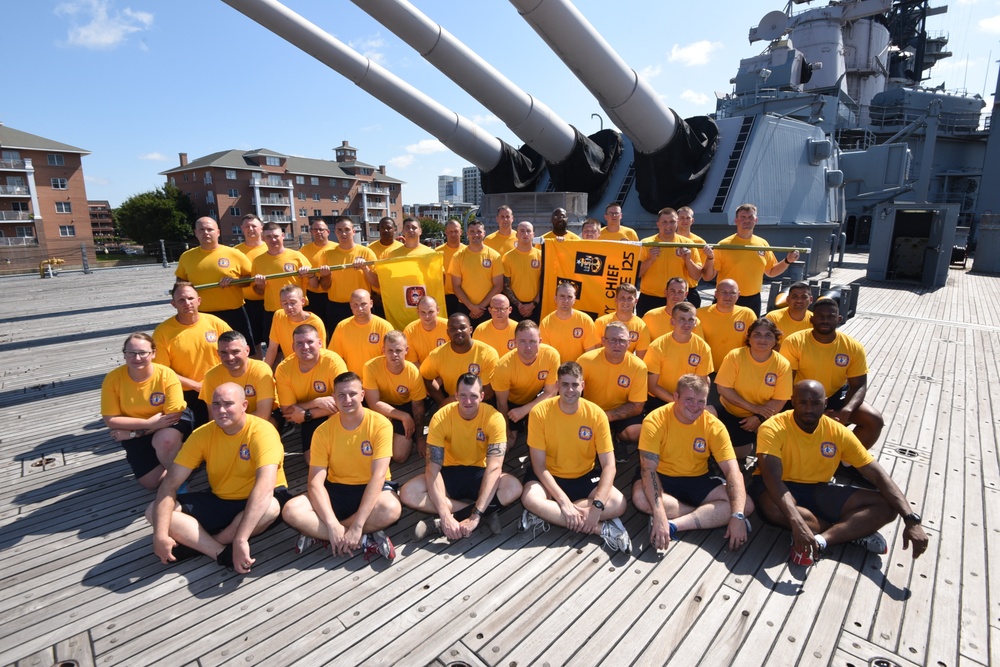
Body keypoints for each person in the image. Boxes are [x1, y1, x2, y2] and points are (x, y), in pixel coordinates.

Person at [752, 380, 929, 565]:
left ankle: (821, 540)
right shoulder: (772, 427)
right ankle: (849, 531)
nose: (809, 409)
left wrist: (911, 519)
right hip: (780, 486)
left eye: (816, 403)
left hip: (817, 488)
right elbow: (771, 478)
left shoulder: (838, 432)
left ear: (826, 403)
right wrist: (796, 522)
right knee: (772, 507)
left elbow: (878, 475)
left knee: (887, 507)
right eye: (803, 402)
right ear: (793, 401)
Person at [145, 383, 288, 573]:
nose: (221, 410)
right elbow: (170, 484)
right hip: (221, 497)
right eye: (216, 405)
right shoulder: (202, 434)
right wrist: (160, 535)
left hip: (261, 497)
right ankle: (220, 552)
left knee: (270, 509)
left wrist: (241, 539)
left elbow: (264, 488)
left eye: (228, 404)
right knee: (152, 510)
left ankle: (207, 543)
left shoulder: (263, 432)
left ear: (244, 405)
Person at [281, 372, 400, 562]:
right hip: (336, 488)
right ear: (334, 398)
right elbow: (315, 483)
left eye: (353, 394)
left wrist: (358, 525)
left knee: (391, 508)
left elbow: (378, 477)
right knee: (291, 510)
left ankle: (325, 534)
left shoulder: (381, 424)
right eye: (341, 395)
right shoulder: (323, 431)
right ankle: (358, 539)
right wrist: (332, 524)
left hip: (372, 487)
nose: (347, 399)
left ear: (362, 395)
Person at [519, 362, 631, 554]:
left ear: (583, 385)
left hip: (584, 476)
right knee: (529, 498)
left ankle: (548, 514)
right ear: (557, 385)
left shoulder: (596, 415)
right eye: (564, 384)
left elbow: (609, 466)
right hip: (548, 476)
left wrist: (597, 507)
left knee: (619, 503)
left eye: (574, 384)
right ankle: (601, 529)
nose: (570, 390)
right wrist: (564, 502)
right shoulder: (539, 412)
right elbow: (538, 465)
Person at [634, 374, 753, 551]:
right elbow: (648, 469)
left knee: (746, 505)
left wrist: (736, 514)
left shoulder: (714, 425)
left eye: (701, 401)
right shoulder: (655, 420)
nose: (695, 407)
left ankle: (675, 525)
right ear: (676, 397)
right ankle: (709, 514)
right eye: (689, 399)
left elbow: (733, 471)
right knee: (641, 498)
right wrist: (659, 515)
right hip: (661, 475)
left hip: (698, 477)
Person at [401, 373, 523, 540]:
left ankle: (442, 523)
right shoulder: (441, 417)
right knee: (408, 492)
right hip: (449, 472)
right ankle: (487, 511)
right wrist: (445, 516)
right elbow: (432, 468)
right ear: (456, 395)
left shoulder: (494, 418)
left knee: (514, 487)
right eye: (463, 396)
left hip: (481, 472)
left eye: (473, 396)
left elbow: (495, 467)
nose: (467, 401)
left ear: (481, 396)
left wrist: (475, 516)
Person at [779, 298, 884, 449]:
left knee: (874, 420)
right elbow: (786, 381)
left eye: (831, 316)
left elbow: (859, 385)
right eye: (820, 316)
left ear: (839, 318)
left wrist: (845, 411)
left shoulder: (853, 347)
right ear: (812, 318)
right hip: (799, 397)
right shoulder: (794, 341)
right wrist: (813, 410)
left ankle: (846, 464)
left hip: (835, 396)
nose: (825, 320)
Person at [101, 332, 193, 489]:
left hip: (168, 423)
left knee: (165, 441)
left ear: (153, 353)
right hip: (143, 425)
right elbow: (110, 419)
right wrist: (148, 424)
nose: (137, 358)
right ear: (124, 355)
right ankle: (185, 461)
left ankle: (179, 484)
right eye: (131, 353)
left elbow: (173, 415)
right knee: (151, 483)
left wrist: (135, 433)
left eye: (143, 353)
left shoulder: (165, 374)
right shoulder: (113, 378)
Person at [153, 281, 231, 426]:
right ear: (173, 304)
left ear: (199, 300)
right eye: (181, 300)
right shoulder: (162, 333)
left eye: (190, 298)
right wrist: (196, 385)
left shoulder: (216, 323)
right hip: (187, 392)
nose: (187, 303)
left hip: (219, 386)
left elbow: (235, 353)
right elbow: (162, 371)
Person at [701, 203, 800, 315]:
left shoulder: (762, 244)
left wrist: (788, 260)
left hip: (753, 299)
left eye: (750, 217)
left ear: (756, 220)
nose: (747, 220)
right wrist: (709, 258)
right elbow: (708, 276)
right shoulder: (723, 245)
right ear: (736, 221)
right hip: (727, 298)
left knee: (751, 332)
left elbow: (771, 272)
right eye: (743, 217)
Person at [715, 318, 793, 459]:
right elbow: (723, 388)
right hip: (728, 410)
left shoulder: (782, 364)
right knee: (702, 414)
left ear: (776, 340)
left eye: (768, 335)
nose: (762, 339)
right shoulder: (735, 356)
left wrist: (758, 416)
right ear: (749, 339)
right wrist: (754, 408)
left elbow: (780, 400)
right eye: (757, 334)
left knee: (745, 451)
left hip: (761, 416)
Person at [175, 216, 254, 347]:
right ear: (195, 233)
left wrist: (235, 281)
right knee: (208, 349)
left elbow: (249, 279)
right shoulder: (187, 256)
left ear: (218, 232)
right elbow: (180, 281)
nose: (206, 233)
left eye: (210, 229)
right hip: (202, 314)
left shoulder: (234, 253)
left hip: (233, 312)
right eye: (201, 230)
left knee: (240, 350)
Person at [274, 324, 348, 464]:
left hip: (332, 413)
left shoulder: (332, 361)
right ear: (293, 346)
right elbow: (288, 411)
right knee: (312, 460)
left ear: (320, 343)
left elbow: (345, 400)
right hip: (313, 415)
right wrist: (316, 402)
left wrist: (308, 413)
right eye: (300, 343)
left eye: (310, 342)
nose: (305, 347)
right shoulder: (284, 369)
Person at [576, 321, 648, 461]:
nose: (617, 344)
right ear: (603, 341)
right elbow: (571, 393)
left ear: (629, 343)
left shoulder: (639, 367)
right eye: (612, 339)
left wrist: (604, 417)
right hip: (590, 412)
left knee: (636, 433)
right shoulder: (585, 360)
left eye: (622, 340)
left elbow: (637, 405)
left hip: (619, 412)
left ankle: (618, 439)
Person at [363, 331, 428, 462]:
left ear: (406, 350)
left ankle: (404, 433)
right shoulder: (370, 367)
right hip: (380, 407)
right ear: (383, 350)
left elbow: (418, 407)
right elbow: (373, 403)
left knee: (400, 456)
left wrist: (420, 438)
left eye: (398, 350)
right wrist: (403, 416)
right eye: (390, 350)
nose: (394, 355)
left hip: (403, 405)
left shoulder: (413, 372)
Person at [493, 319, 560, 444]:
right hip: (511, 405)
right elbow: (501, 403)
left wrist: (524, 410)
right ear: (514, 343)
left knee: (547, 436)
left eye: (532, 341)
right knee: (509, 443)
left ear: (540, 341)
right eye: (522, 341)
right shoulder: (503, 366)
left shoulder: (551, 355)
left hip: (537, 399)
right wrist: (506, 429)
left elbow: (551, 392)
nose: (528, 347)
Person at [310, 216, 378, 337]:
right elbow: (324, 286)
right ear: (335, 232)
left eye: (346, 229)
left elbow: (376, 283)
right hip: (336, 307)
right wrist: (327, 276)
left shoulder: (366, 252)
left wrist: (365, 268)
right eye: (339, 230)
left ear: (353, 231)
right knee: (339, 342)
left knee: (365, 339)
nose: (343, 233)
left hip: (361, 306)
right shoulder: (327, 254)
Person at [643, 302, 713, 411]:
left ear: (695, 323)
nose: (686, 324)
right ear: (672, 321)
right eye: (682, 319)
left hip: (689, 400)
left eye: (690, 320)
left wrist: (688, 403)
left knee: (712, 412)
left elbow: (701, 383)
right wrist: (677, 402)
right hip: (660, 399)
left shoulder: (703, 348)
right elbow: (652, 386)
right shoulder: (657, 347)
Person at [637, 207, 705, 316]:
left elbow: (697, 276)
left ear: (677, 223)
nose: (668, 226)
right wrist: (650, 259)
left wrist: (688, 260)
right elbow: (636, 274)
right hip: (650, 299)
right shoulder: (646, 243)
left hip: (678, 300)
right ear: (658, 224)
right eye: (664, 222)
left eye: (672, 221)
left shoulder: (688, 243)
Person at [200, 331, 277, 426]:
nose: (230, 357)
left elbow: (263, 415)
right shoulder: (211, 376)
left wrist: (233, 426)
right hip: (228, 423)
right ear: (218, 354)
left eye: (235, 352)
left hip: (262, 419)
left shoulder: (261, 370)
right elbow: (213, 416)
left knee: (269, 424)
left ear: (247, 350)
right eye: (224, 353)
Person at [421, 313, 500, 405]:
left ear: (470, 330)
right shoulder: (437, 354)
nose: (458, 331)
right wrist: (442, 401)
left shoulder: (488, 353)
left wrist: (457, 400)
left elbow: (489, 392)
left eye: (462, 327)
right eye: (453, 329)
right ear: (447, 332)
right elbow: (426, 377)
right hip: (452, 404)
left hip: (481, 404)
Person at [251, 222, 312, 341]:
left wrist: (311, 274)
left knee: (301, 348)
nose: (273, 239)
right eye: (268, 237)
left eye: (276, 236)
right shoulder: (258, 261)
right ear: (263, 238)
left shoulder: (297, 256)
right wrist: (260, 286)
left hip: (297, 312)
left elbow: (313, 284)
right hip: (273, 313)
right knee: (275, 351)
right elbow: (258, 291)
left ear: (282, 236)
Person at [448, 219, 504, 327]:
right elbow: (456, 286)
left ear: (484, 233)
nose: (475, 234)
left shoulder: (494, 256)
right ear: (467, 234)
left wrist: (481, 307)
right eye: (472, 231)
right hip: (465, 307)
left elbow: (498, 285)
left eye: (479, 231)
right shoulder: (458, 257)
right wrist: (471, 307)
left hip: (488, 308)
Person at [696, 279, 759, 371]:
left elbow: (754, 343)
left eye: (732, 293)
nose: (728, 296)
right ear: (716, 294)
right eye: (723, 292)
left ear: (738, 295)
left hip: (737, 370)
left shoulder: (747, 314)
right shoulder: (700, 314)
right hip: (707, 370)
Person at [328, 289, 394, 375]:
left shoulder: (384, 327)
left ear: (371, 303)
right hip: (353, 381)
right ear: (350, 305)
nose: (360, 308)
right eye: (355, 305)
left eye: (363, 304)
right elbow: (335, 357)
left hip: (378, 379)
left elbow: (392, 357)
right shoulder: (342, 326)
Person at [263, 284, 326, 369]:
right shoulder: (278, 316)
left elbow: (320, 352)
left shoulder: (315, 322)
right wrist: (265, 371)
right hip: (290, 367)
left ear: (302, 301)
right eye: (285, 303)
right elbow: (272, 348)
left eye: (293, 303)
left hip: (311, 367)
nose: (289, 307)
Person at [538, 282, 600, 362]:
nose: (566, 300)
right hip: (556, 369)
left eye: (569, 297)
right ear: (555, 298)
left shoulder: (585, 320)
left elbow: (590, 353)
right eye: (562, 296)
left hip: (578, 370)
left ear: (574, 300)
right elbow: (545, 354)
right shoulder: (546, 323)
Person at [236, 214, 269, 356]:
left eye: (254, 226)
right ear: (242, 229)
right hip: (247, 303)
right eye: (247, 226)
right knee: (252, 343)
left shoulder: (271, 247)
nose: (251, 229)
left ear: (261, 228)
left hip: (272, 302)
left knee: (275, 341)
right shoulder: (235, 251)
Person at [594, 282, 651, 358]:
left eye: (630, 298)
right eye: (622, 298)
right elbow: (595, 353)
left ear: (635, 302)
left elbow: (641, 359)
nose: (625, 302)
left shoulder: (641, 327)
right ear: (616, 300)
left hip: (626, 367)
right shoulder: (601, 322)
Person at [299, 217, 335, 335]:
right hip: (313, 296)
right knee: (315, 329)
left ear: (328, 232)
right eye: (315, 230)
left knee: (332, 329)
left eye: (321, 229)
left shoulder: (336, 248)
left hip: (332, 294)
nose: (318, 232)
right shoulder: (303, 251)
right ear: (311, 232)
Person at [502, 221, 542, 322]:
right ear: (516, 234)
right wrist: (519, 305)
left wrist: (533, 304)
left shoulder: (541, 256)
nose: (525, 234)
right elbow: (506, 285)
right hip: (515, 307)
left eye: (528, 231)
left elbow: (544, 283)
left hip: (536, 306)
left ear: (533, 234)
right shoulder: (508, 257)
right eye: (522, 231)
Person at [367, 217, 402, 318]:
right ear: (379, 229)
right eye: (382, 228)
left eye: (389, 228)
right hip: (376, 299)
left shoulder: (402, 249)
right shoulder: (369, 249)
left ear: (395, 229)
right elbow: (365, 274)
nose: (386, 230)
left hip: (396, 297)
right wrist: (371, 295)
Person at [403, 295, 449, 366]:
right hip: (421, 373)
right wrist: (425, 376)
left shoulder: (449, 327)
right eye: (423, 312)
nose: (427, 316)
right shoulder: (409, 331)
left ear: (438, 310)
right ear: (418, 312)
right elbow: (412, 362)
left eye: (430, 312)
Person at [641, 276, 691, 341]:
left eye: (680, 292)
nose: (676, 295)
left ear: (685, 295)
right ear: (665, 292)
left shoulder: (692, 321)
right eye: (672, 291)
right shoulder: (650, 317)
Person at [675, 207, 706, 306]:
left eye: (687, 218)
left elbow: (701, 271)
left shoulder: (700, 242)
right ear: (676, 220)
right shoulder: (668, 240)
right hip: (671, 288)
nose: (684, 221)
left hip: (690, 289)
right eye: (681, 218)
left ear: (692, 220)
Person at [437, 219, 466, 317]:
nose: (453, 234)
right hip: (445, 297)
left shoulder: (468, 251)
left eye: (456, 231)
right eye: (450, 231)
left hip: (464, 297)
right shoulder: (437, 252)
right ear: (445, 232)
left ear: (461, 232)